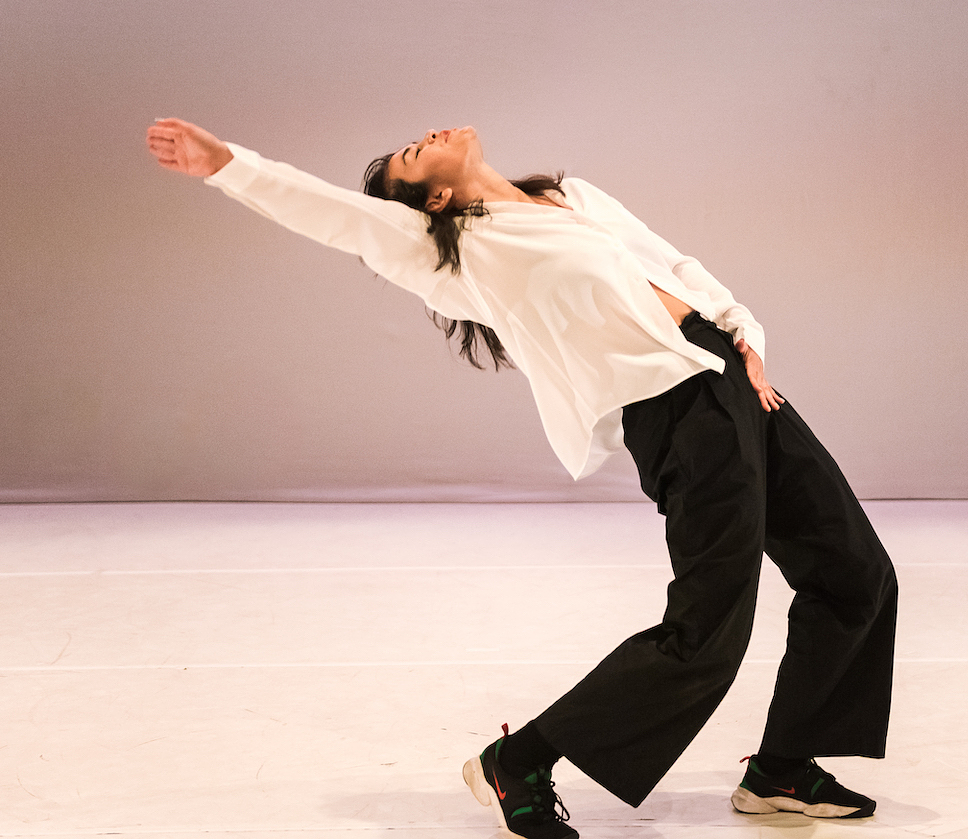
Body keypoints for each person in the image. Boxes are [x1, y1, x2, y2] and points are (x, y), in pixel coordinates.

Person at [146, 118, 899, 839]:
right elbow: (337, 216)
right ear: (434, 199)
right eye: (413, 155)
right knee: (705, 631)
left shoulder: (573, 196)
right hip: (677, 411)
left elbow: (671, 262)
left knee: (853, 573)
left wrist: (742, 332)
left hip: (730, 374)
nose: (426, 136)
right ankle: (520, 759)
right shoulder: (460, 253)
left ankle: (782, 770)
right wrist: (226, 166)